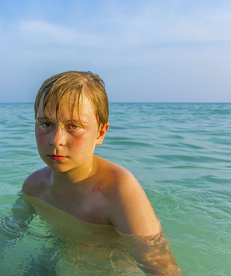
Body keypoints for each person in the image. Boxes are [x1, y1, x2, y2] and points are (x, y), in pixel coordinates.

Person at [21, 71, 181, 275]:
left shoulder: (119, 190)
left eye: (73, 126)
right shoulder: (34, 186)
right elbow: (3, 236)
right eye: (46, 124)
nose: (56, 140)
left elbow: (162, 267)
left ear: (100, 133)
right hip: (60, 258)